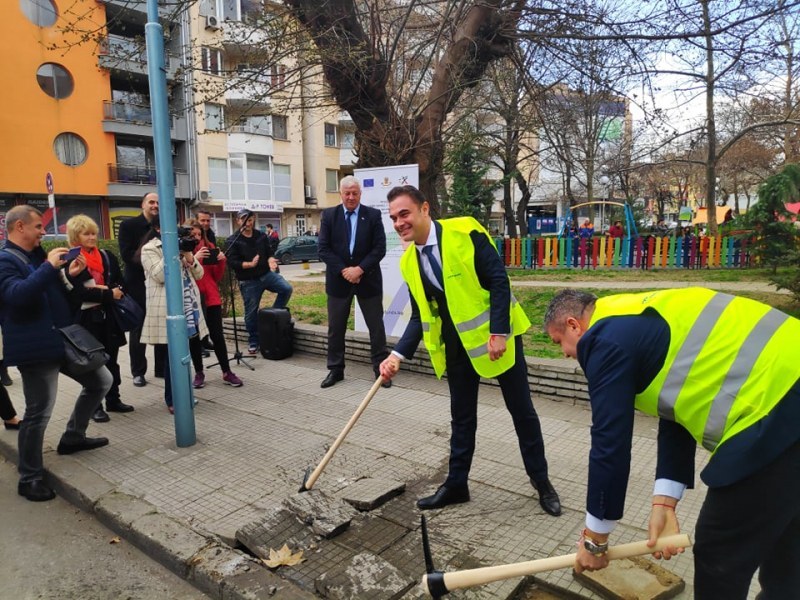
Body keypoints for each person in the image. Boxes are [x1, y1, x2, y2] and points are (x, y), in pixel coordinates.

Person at [543, 288, 800, 598]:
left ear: (574, 325)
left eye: (560, 343)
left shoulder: (604, 341)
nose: (565, 354)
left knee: (720, 552)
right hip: (788, 384)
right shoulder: (634, 316)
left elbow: (609, 445)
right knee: (788, 539)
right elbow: (675, 404)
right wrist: (664, 501)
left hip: (779, 403)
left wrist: (594, 540)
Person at [379, 185, 561, 516]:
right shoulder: (409, 262)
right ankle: (457, 485)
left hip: (498, 340)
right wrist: (396, 355)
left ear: (424, 209)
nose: (399, 223)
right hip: (457, 347)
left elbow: (498, 280)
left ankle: (542, 482)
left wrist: (498, 331)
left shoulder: (466, 231)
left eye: (404, 213)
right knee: (462, 418)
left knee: (522, 412)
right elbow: (420, 315)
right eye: (393, 218)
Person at [0, 206, 112, 502]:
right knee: (39, 412)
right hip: (34, 348)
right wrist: (49, 269)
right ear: (20, 226)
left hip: (62, 339)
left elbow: (60, 298)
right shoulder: (4, 260)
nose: (43, 231)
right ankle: (29, 477)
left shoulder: (39, 256)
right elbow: (16, 297)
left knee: (101, 381)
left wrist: (69, 277)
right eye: (38, 226)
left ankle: (73, 436)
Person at [318, 176, 389, 388]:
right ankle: (335, 370)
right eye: (347, 193)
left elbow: (379, 248)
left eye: (354, 193)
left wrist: (359, 269)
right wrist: (344, 270)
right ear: (340, 193)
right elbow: (323, 249)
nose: (351, 197)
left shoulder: (373, 215)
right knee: (336, 328)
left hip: (368, 280)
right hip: (339, 281)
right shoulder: (329, 215)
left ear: (360, 193)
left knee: (376, 328)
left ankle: (380, 370)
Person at [65, 215, 134, 423]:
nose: (92, 237)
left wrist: (114, 291)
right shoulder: (71, 260)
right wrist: (107, 293)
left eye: (94, 233)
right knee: (94, 363)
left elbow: (121, 282)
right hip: (86, 318)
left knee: (112, 359)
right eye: (86, 233)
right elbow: (78, 294)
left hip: (109, 315)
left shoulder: (106, 255)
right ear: (75, 236)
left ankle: (114, 399)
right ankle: (96, 405)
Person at [140, 218, 209, 414]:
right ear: (158, 228)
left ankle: (184, 394)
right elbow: (159, 275)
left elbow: (199, 274)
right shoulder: (150, 248)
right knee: (173, 356)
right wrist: (174, 251)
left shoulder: (183, 244)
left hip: (189, 306)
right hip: (168, 309)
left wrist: (188, 253)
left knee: (184, 354)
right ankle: (173, 399)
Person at [185, 219, 243, 387]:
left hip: (211, 298)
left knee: (217, 336)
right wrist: (194, 258)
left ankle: (226, 371)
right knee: (194, 338)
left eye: (199, 234)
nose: (196, 238)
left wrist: (221, 261)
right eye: (192, 235)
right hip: (193, 300)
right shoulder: (182, 252)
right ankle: (199, 372)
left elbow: (216, 277)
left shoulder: (209, 248)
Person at [227, 209, 293, 355]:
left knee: (286, 288)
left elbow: (269, 253)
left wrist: (271, 261)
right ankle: (254, 340)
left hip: (266, 275)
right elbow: (232, 262)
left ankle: (272, 316)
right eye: (244, 220)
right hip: (248, 281)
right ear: (238, 221)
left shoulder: (261, 236)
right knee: (250, 313)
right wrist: (249, 264)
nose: (247, 223)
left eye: (250, 220)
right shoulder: (233, 240)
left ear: (253, 220)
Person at [118, 192, 165, 386]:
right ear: (143, 204)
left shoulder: (164, 226)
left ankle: (161, 368)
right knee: (138, 328)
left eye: (157, 202)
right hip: (137, 283)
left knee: (162, 324)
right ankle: (138, 371)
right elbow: (126, 255)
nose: (155, 205)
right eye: (151, 202)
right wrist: (150, 260)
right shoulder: (128, 226)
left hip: (159, 283)